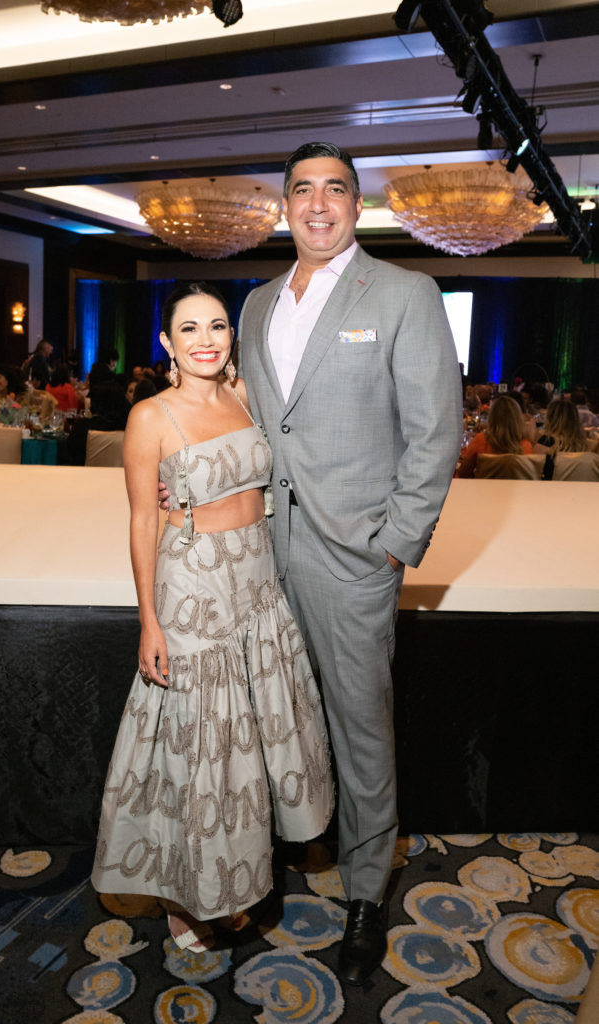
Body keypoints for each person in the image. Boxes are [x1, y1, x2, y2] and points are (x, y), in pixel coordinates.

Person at [236, 142, 463, 985]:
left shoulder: (403, 293)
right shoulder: (256, 304)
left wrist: (395, 542)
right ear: (285, 206)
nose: (319, 203)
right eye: (303, 189)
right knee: (274, 714)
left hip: (353, 555)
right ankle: (291, 845)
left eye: (336, 189)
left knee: (360, 728)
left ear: (355, 205)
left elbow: (435, 430)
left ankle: (366, 889)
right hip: (259, 552)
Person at [91, 282, 334, 953]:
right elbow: (142, 520)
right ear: (166, 343)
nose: (205, 340)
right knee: (198, 752)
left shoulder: (248, 396)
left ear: (232, 337)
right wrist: (149, 621)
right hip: (192, 583)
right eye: (189, 329)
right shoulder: (150, 417)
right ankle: (186, 895)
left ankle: (234, 877)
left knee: (247, 748)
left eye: (217, 326)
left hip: (255, 580)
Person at [458, 393, 534, 477]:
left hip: (483, 489)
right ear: (518, 419)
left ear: (492, 417)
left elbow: (463, 473)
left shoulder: (480, 441)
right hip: (514, 489)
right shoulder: (526, 446)